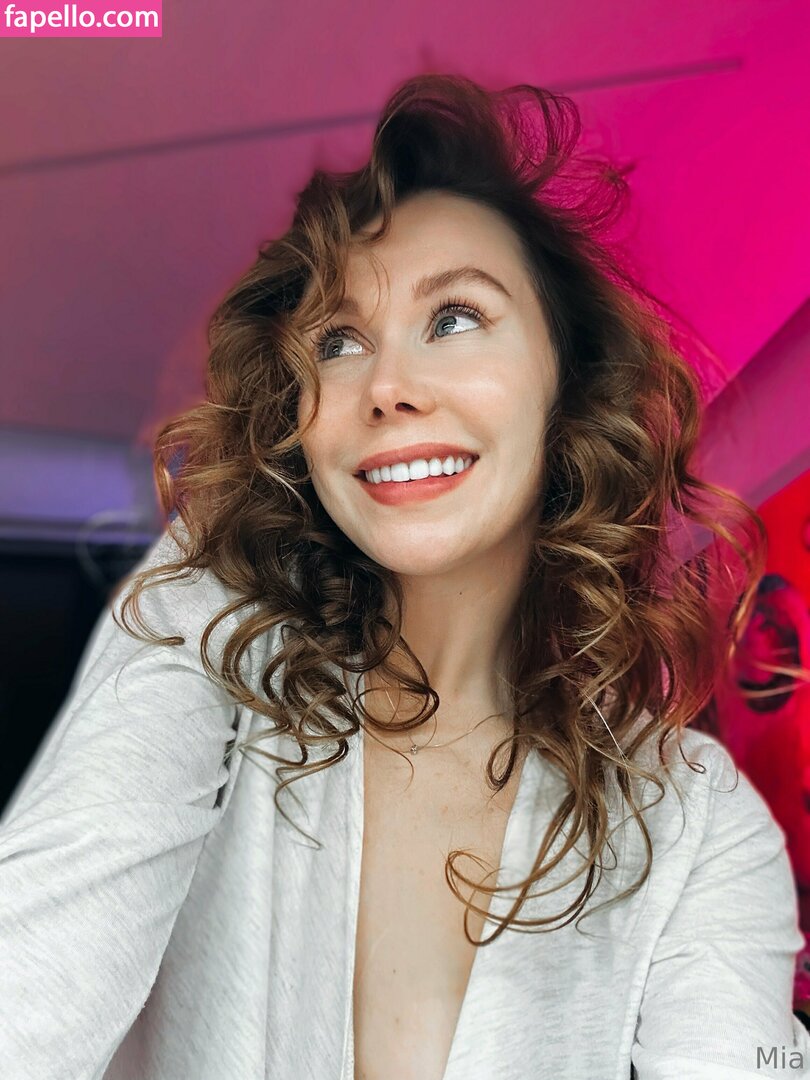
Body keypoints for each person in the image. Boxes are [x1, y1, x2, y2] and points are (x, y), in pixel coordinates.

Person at [1, 73, 809, 1080]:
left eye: (456, 316)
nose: (385, 386)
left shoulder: (693, 820)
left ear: (566, 381)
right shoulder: (211, 634)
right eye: (338, 342)